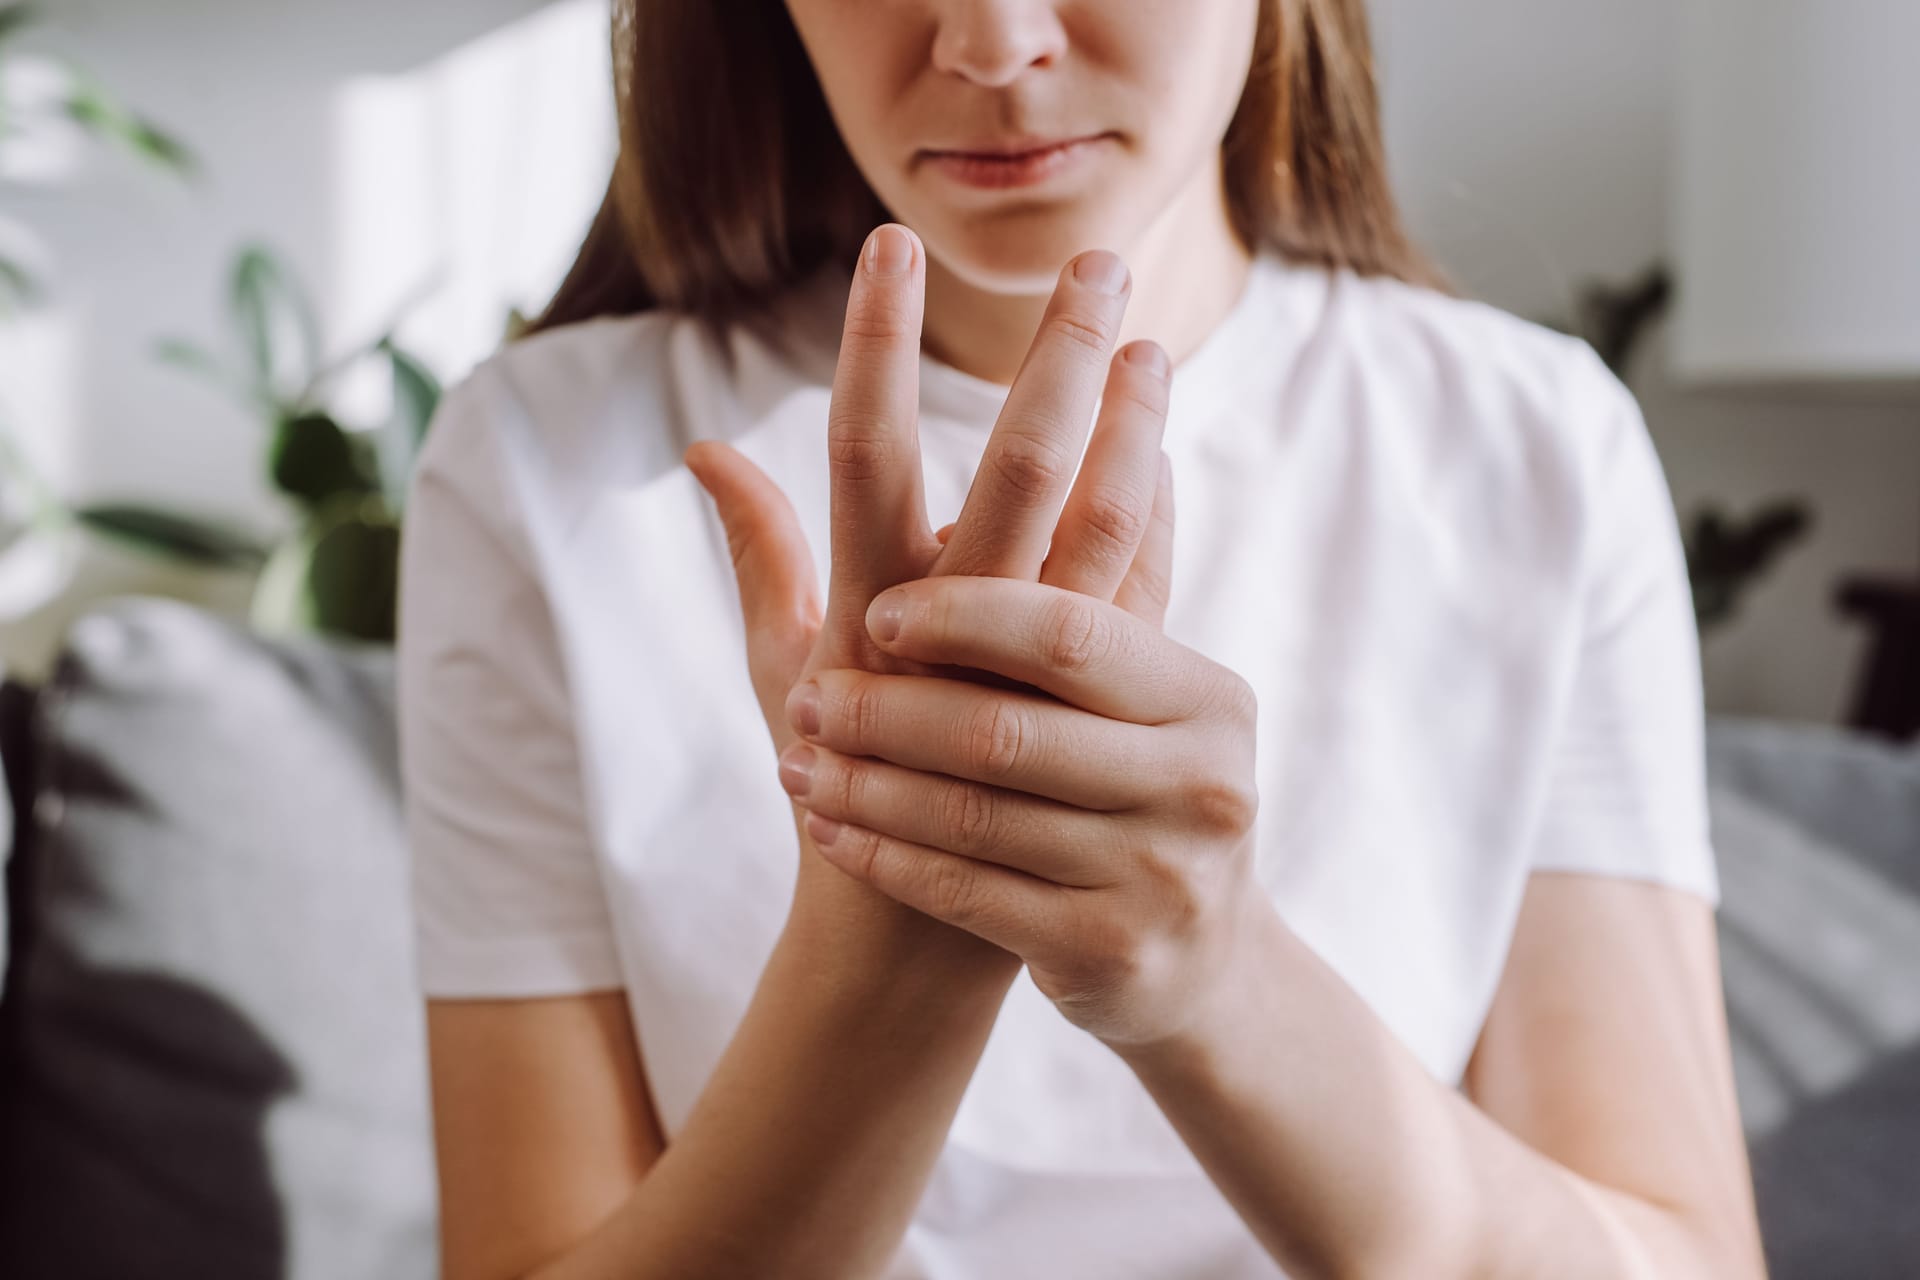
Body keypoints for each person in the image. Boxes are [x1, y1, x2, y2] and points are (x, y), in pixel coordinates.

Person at [397, 1, 1768, 1277]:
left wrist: (1209, 973)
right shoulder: (544, 462)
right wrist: (887, 953)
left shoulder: (1532, 449)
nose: (993, 45)